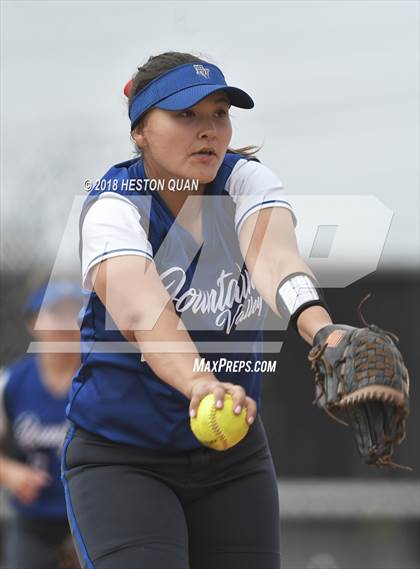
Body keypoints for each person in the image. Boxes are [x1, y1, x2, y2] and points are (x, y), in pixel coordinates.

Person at [61, 51, 334, 569]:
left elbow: (274, 259)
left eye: (218, 114)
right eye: (185, 115)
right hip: (123, 456)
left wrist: (321, 329)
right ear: (140, 130)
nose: (207, 130)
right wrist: (199, 382)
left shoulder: (245, 183)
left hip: (232, 459)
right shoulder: (115, 208)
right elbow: (145, 315)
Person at [0, 281, 82, 569]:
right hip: (35, 519)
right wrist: (9, 472)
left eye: (75, 312)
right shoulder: (10, 382)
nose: (66, 323)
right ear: (33, 321)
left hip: (93, 515)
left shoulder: (102, 379)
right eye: (56, 313)